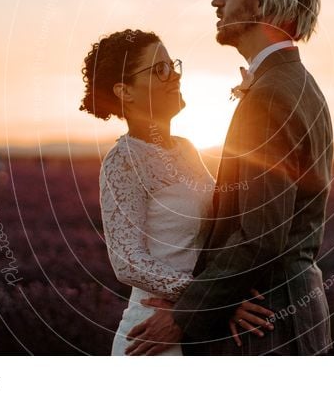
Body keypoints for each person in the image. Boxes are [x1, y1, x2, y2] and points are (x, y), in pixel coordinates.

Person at [125, 0, 334, 355]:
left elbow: (261, 236)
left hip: (264, 322)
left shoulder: (271, 94)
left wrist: (184, 315)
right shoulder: (296, 84)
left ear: (266, 1)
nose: (216, 0)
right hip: (285, 312)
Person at [80, 30, 273, 355]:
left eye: (174, 65)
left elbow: (224, 216)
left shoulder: (185, 148)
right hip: (150, 335)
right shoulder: (124, 160)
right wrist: (212, 299)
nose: (175, 76)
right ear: (124, 91)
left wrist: (254, 107)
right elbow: (127, 262)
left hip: (189, 325)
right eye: (160, 70)